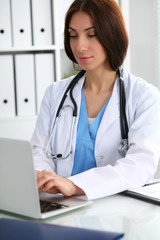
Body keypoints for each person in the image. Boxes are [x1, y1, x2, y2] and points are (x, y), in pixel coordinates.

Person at [31, 0, 160, 200]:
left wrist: (74, 185)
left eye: (91, 35)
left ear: (112, 35)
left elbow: (140, 164)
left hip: (119, 212)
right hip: (63, 206)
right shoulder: (55, 94)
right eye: (73, 35)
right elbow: (39, 152)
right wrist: (47, 180)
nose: (80, 46)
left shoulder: (144, 96)